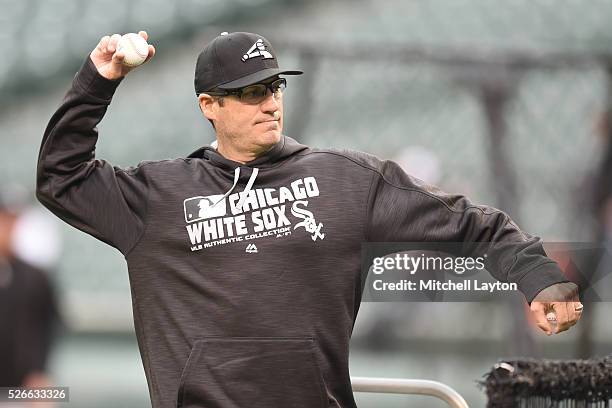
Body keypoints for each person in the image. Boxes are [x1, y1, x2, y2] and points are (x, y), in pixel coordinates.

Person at [36, 30, 583, 408]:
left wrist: (537, 276)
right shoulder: (156, 196)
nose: (270, 103)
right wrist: (98, 79)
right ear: (210, 106)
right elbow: (61, 177)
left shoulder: (347, 180)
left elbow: (469, 222)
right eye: (249, 93)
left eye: (274, 86)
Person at [0, 194, 59, 395]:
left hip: (21, 389)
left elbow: (50, 324)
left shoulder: (35, 277)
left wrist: (39, 372)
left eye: (11, 221)